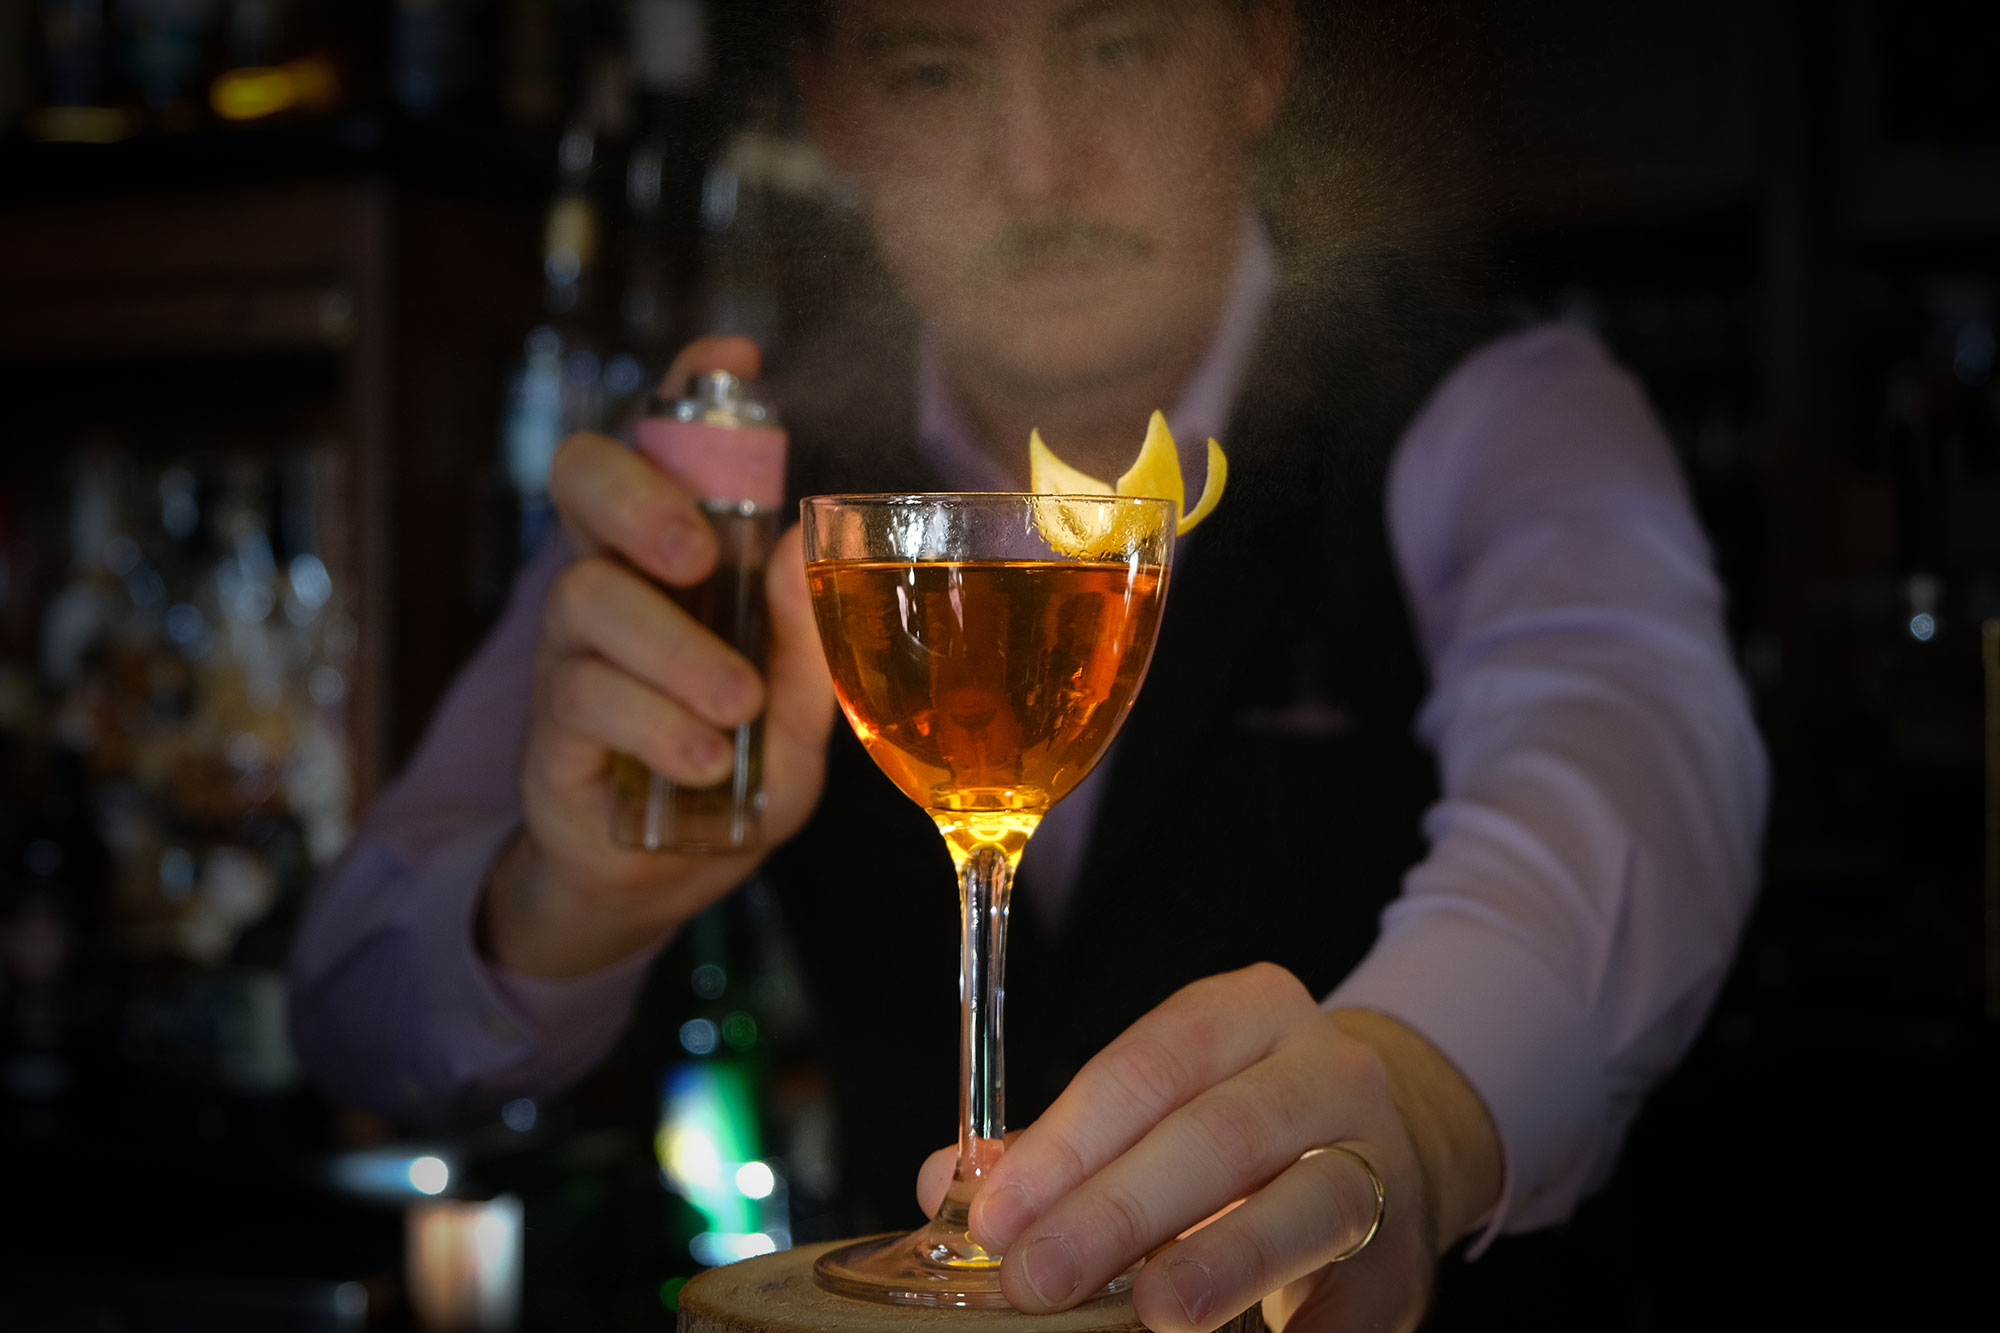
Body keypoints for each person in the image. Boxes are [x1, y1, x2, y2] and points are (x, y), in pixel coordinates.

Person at [289, 2, 1768, 1330]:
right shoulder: (737, 503)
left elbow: (1638, 771)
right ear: (836, 114)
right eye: (936, 69)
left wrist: (1426, 1111)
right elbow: (353, 1018)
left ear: (1257, 51)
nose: (1039, 168)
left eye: (1115, 44)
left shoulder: (1495, 415)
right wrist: (567, 900)